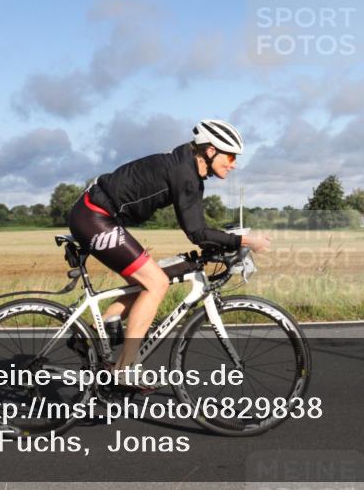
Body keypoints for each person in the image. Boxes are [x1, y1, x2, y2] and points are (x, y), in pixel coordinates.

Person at [67, 119, 271, 380]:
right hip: (94, 218)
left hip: (97, 215)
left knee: (144, 283)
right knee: (157, 283)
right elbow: (197, 233)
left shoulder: (189, 169)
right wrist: (244, 241)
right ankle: (125, 370)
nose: (234, 164)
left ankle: (100, 327)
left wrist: (225, 242)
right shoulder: (185, 173)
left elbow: (199, 228)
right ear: (210, 151)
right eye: (230, 156)